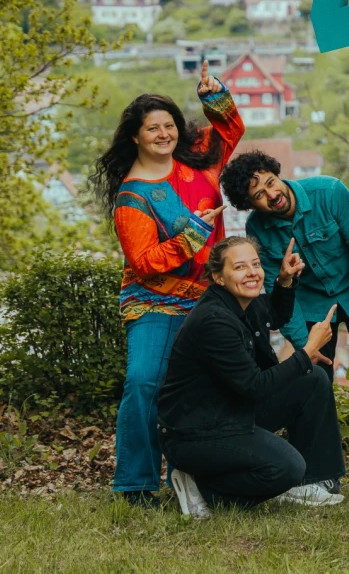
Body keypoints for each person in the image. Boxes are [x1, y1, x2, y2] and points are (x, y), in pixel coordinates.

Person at [89, 61, 245, 508]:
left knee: (216, 387)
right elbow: (143, 264)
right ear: (136, 137)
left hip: (212, 300)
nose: (164, 134)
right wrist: (194, 232)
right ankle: (136, 484)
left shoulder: (199, 158)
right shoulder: (132, 197)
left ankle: (211, 480)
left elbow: (230, 130)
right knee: (144, 382)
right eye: (153, 128)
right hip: (155, 303)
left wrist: (213, 95)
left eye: (169, 125)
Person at [219, 150, 349, 500]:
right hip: (312, 304)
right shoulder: (258, 229)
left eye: (270, 182)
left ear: (277, 173)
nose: (271, 194)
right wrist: (305, 346)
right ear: (251, 205)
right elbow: (280, 291)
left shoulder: (329, 192)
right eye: (259, 195)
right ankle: (322, 472)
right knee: (313, 380)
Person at [158, 236, 346, 517]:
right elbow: (255, 386)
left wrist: (284, 280)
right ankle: (203, 489)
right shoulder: (214, 321)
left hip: (228, 410)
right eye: (240, 267)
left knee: (313, 379)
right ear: (218, 277)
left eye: (255, 264)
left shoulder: (241, 303)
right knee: (287, 467)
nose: (252, 273)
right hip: (196, 434)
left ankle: (314, 481)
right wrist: (306, 352)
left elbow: (273, 314)